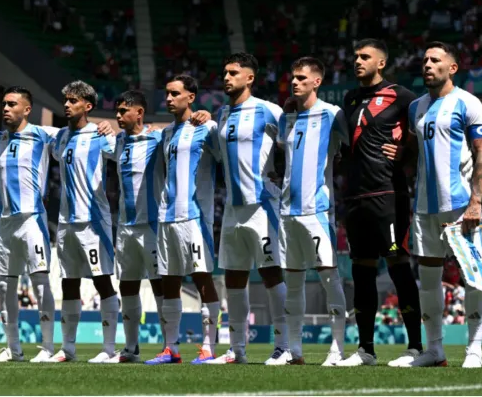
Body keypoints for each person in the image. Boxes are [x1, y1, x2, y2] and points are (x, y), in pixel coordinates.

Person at [0, 87, 112, 363]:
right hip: (5, 222)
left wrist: (104, 124)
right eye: (4, 104)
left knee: (41, 283)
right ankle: (13, 348)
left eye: (12, 104)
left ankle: (47, 347)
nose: (5, 109)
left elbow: (78, 132)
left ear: (27, 109)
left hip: (33, 218)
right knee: (5, 286)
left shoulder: (45, 134)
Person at [400, 41, 482, 369]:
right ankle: (435, 350)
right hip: (425, 205)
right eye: (424, 59)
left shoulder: (469, 103)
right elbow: (414, 150)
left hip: (462, 205)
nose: (427, 64)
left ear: (452, 68)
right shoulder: (416, 108)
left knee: (473, 276)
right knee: (427, 279)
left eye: (435, 60)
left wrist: (476, 202)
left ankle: (474, 348)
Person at [336, 38, 424, 367]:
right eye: (355, 56)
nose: (356, 61)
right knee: (362, 272)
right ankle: (366, 350)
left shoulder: (402, 96)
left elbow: (426, 134)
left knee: (398, 264)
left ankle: (415, 347)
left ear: (381, 63)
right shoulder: (350, 97)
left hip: (388, 196)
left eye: (364, 57)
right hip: (355, 198)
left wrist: (407, 152)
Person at [206, 53, 288, 365]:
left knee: (271, 275)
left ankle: (284, 345)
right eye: (224, 72)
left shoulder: (269, 110)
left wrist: (282, 178)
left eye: (233, 73)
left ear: (249, 78)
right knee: (233, 279)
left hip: (263, 205)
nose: (226, 77)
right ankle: (236, 349)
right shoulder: (223, 114)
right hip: (232, 207)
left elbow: (293, 145)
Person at [277, 57, 349, 366]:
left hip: (317, 211)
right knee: (292, 283)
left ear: (316, 82)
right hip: (287, 213)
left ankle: (337, 348)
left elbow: (355, 148)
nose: (294, 82)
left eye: (301, 78)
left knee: (329, 279)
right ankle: (294, 351)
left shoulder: (333, 115)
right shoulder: (286, 119)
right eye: (293, 77)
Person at [145, 75, 221, 365]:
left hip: (195, 216)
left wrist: (213, 117)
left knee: (202, 278)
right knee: (170, 281)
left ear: (191, 97)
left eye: (175, 93)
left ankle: (208, 347)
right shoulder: (166, 134)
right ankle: (171, 348)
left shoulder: (207, 127)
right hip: (167, 217)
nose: (168, 98)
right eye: (166, 93)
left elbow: (225, 152)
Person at [48, 80, 119, 363]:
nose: (66, 104)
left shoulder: (100, 135)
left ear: (87, 106)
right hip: (66, 221)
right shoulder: (61, 138)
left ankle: (110, 349)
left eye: (73, 101)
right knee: (68, 282)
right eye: (65, 100)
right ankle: (68, 349)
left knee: (102, 281)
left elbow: (122, 151)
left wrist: (111, 128)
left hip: (94, 221)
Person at [105, 90, 165, 363]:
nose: (117, 116)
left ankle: (170, 346)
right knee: (127, 286)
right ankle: (131, 348)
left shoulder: (158, 138)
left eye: (122, 111)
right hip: (125, 228)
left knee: (160, 286)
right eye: (116, 112)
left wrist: (205, 114)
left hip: (151, 227)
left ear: (139, 113)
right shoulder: (117, 142)